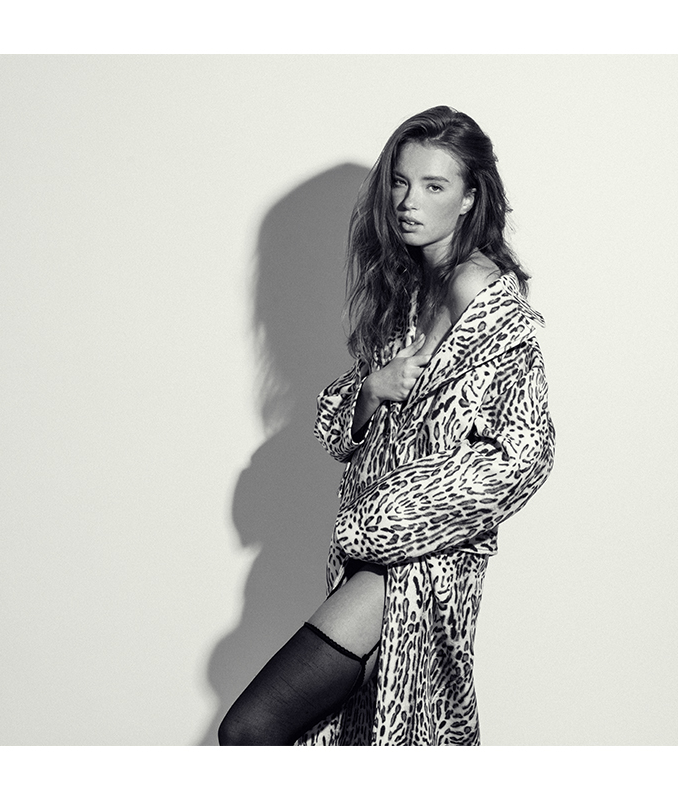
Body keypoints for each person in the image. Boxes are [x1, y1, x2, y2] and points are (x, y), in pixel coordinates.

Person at [218, 106, 555, 746]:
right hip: (372, 564)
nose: (409, 201)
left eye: (434, 185)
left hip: (419, 571)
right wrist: (373, 389)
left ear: (470, 197)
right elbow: (336, 429)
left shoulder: (490, 304)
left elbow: (524, 455)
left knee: (252, 729)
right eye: (400, 182)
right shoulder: (411, 293)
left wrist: (385, 520)